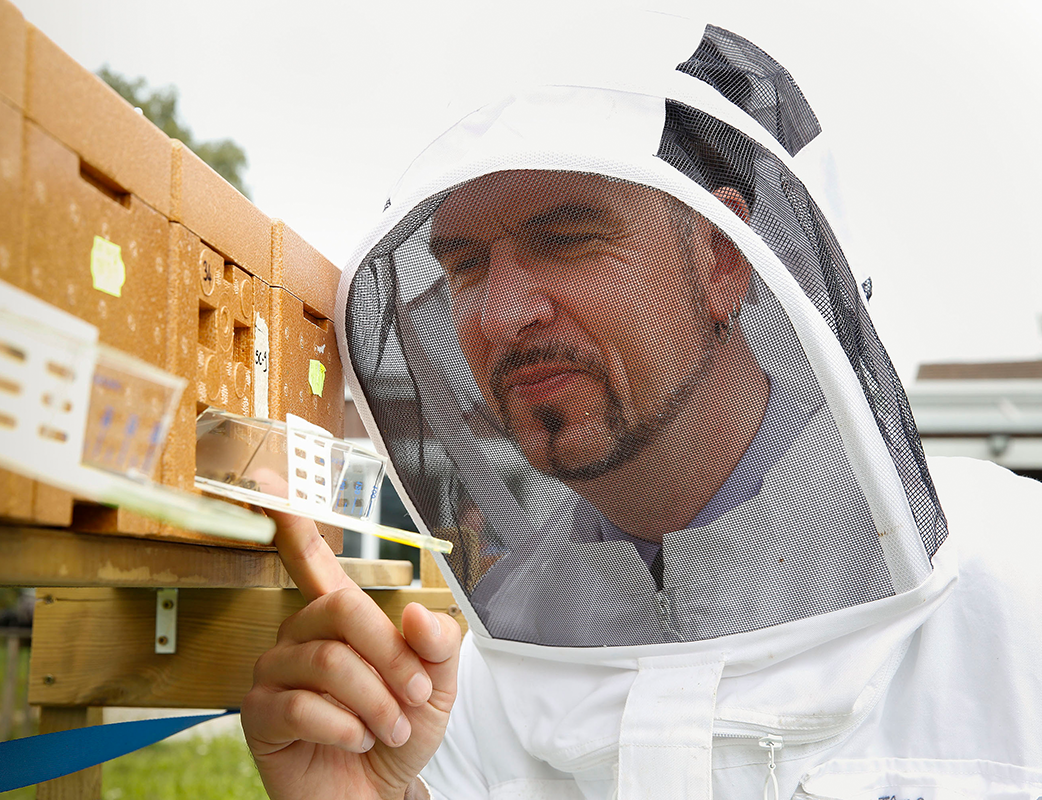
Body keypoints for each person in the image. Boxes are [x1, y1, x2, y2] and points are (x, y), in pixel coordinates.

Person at [241, 21, 1042, 800]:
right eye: (466, 265)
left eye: (567, 237)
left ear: (722, 255)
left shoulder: (1013, 584)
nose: (500, 314)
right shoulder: (472, 676)